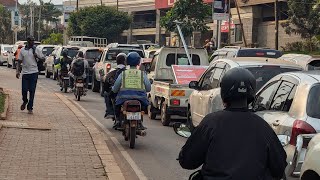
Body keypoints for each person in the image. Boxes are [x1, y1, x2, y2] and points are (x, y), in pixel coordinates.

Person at [178, 67, 287, 180]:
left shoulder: (211, 123)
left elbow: (187, 161)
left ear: (224, 91)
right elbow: (279, 168)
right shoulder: (262, 126)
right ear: (252, 92)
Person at [112, 52, 151, 129]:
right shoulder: (142, 74)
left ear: (127, 61)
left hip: (123, 98)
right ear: (138, 62)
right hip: (140, 98)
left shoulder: (123, 73)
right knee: (143, 108)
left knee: (117, 106)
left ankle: (118, 121)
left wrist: (113, 89)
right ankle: (140, 122)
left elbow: (115, 88)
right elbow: (148, 88)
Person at [15, 36, 45, 114]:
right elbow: (19, 61)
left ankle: (30, 107)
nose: (33, 42)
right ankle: (25, 101)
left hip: (34, 72)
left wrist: (37, 56)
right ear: (28, 41)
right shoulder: (22, 50)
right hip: (25, 73)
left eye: (33, 41)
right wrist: (17, 71)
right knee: (24, 90)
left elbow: (43, 59)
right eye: (31, 41)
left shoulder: (36, 49)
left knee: (32, 90)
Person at [104, 53, 127, 120]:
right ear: (125, 61)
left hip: (116, 93)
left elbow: (106, 84)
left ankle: (110, 112)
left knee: (106, 94)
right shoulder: (128, 71)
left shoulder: (112, 71)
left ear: (116, 62)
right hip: (128, 93)